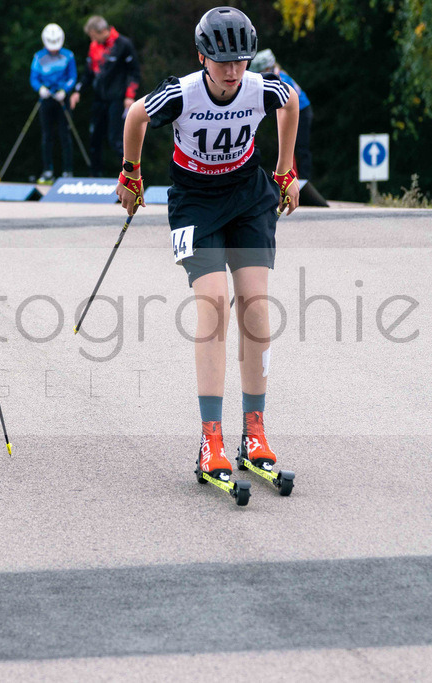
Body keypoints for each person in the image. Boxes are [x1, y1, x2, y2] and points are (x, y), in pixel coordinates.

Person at [115, 7, 300, 488]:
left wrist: (285, 170)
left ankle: (254, 434)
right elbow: (136, 115)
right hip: (195, 203)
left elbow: (291, 102)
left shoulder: (262, 88)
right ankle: (210, 440)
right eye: (222, 63)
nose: (233, 71)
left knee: (256, 308)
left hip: (248, 197)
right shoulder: (181, 94)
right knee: (214, 307)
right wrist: (131, 173)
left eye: (240, 61)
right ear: (202, 57)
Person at [70, 16, 140, 177]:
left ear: (102, 31)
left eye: (93, 35)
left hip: (118, 99)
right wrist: (78, 91)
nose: (92, 39)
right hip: (99, 98)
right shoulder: (94, 46)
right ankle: (95, 175)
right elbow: (89, 73)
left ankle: (129, 177)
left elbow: (134, 73)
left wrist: (130, 96)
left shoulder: (123, 44)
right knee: (94, 137)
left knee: (116, 140)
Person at [250, 49, 313, 179]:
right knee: (289, 146)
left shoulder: (281, 79)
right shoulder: (278, 74)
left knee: (300, 147)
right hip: (295, 111)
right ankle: (295, 176)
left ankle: (304, 180)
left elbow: (282, 103)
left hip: (302, 112)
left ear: (267, 68)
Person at [30, 23, 77, 183]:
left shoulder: (68, 55)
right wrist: (40, 89)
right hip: (46, 100)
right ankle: (48, 170)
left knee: (65, 135)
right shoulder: (38, 57)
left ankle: (68, 171)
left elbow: (72, 76)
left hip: (62, 99)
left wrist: (65, 90)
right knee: (47, 135)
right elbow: (34, 78)